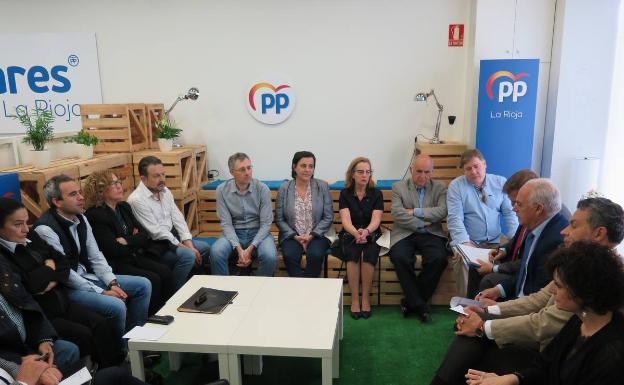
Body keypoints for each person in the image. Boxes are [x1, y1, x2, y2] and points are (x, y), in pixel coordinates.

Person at [428, 197, 624, 385]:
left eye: (573, 225)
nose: (564, 231)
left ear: (599, 234)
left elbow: (543, 325)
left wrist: (482, 327)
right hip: (545, 353)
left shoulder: (592, 285)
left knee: (473, 350)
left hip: (542, 350)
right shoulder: (578, 269)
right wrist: (488, 311)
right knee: (470, 343)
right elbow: (540, 299)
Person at [465, 241, 624, 385]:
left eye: (559, 286)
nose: (553, 291)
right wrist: (511, 379)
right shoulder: (580, 320)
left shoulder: (611, 354)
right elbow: (545, 364)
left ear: (584, 291)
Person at [0, 197, 123, 368]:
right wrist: (50, 268)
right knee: (83, 334)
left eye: (26, 222)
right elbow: (31, 286)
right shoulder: (4, 256)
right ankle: (96, 374)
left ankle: (114, 368)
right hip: (43, 313)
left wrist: (47, 275)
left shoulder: (32, 235)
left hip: (61, 301)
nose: (25, 230)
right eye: (17, 224)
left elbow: (62, 261)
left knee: (100, 323)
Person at [33, 175, 151, 342]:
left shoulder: (81, 218)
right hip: (68, 287)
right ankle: (123, 351)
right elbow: (65, 272)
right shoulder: (46, 229)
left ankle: (137, 341)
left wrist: (112, 283)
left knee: (143, 285)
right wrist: (103, 291)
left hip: (88, 277)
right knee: (116, 305)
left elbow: (96, 256)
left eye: (80, 192)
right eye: (73, 194)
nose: (81, 198)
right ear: (56, 202)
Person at [84, 170, 175, 315]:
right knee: (153, 279)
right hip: (116, 264)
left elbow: (144, 235)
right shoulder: (96, 214)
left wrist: (126, 240)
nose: (120, 186)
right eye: (114, 184)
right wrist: (133, 240)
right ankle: (152, 319)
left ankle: (170, 312)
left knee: (165, 272)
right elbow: (113, 249)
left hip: (133, 256)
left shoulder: (123, 207)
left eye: (119, 182)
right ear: (100, 190)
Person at [476, 179, 568, 301]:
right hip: (521, 302)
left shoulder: (555, 240)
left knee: (472, 316)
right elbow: (525, 275)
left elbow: (536, 298)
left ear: (538, 209)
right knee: (470, 313)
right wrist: (499, 290)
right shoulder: (536, 227)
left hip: (528, 310)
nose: (514, 209)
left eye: (519, 204)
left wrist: (498, 309)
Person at [128, 156, 210, 290]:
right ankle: (174, 293)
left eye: (163, 174)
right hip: (155, 246)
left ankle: (190, 285)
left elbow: (178, 218)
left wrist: (188, 241)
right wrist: (184, 247)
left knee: (204, 248)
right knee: (189, 255)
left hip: (171, 239)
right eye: (156, 176)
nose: (162, 179)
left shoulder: (165, 191)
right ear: (143, 179)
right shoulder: (136, 200)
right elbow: (155, 232)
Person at [447, 149, 518, 297]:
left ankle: (491, 302)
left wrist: (515, 239)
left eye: (476, 166)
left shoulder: (500, 182)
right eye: (468, 169)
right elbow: (455, 218)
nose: (473, 172)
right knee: (461, 258)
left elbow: (510, 214)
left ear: (484, 164)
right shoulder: (456, 186)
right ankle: (465, 305)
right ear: (464, 171)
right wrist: (464, 243)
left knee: (512, 254)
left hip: (496, 240)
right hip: (469, 240)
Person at [389, 154, 448, 323]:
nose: (423, 176)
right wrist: (423, 223)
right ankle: (421, 306)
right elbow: (397, 214)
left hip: (432, 234)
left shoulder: (440, 188)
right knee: (399, 257)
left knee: (439, 258)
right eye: (419, 171)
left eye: (427, 172)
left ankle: (411, 302)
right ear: (411, 170)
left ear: (432, 171)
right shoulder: (398, 187)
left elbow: (442, 211)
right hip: (404, 232)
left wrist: (415, 211)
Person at [0, 254, 79, 376]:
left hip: (29, 341)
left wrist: (43, 339)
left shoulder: (2, 262)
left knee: (69, 350)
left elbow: (26, 300)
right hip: (10, 357)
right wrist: (23, 365)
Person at [210, 153, 277, 276]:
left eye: (249, 168)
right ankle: (224, 290)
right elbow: (226, 224)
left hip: (259, 232)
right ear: (232, 172)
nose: (247, 172)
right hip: (234, 232)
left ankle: (257, 289)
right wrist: (239, 249)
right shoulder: (222, 190)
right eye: (242, 169)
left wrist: (250, 248)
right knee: (216, 252)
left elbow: (266, 224)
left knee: (270, 256)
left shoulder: (262, 189)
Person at [337, 157, 383, 319]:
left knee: (368, 254)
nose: (364, 175)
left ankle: (365, 299)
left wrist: (366, 232)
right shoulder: (345, 194)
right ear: (352, 175)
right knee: (353, 253)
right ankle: (355, 300)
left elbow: (377, 219)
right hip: (350, 233)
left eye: (368, 172)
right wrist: (356, 233)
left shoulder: (377, 194)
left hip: (371, 232)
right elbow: (345, 220)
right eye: (360, 172)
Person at [276, 151, 333, 278]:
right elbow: (279, 219)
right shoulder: (284, 188)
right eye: (303, 166)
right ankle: (299, 289)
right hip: (292, 235)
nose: (307, 170)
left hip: (317, 235)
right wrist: (295, 236)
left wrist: (311, 235)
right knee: (290, 255)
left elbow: (328, 216)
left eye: (311, 166)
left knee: (316, 255)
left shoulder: (322, 186)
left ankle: (309, 289)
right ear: (294, 167)